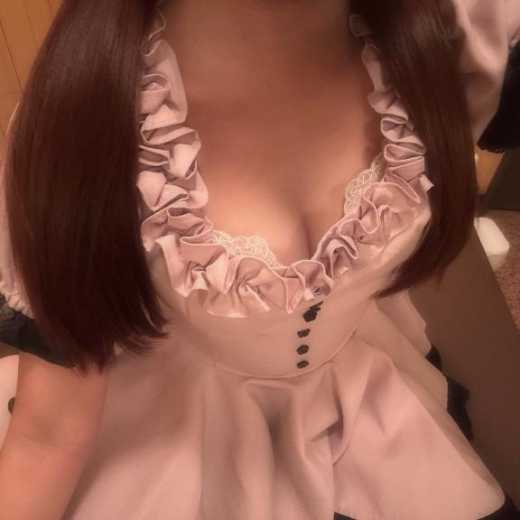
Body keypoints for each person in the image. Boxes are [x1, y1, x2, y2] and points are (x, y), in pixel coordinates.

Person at [0, 0, 519, 518]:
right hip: (175, 439)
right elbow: (47, 436)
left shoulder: (456, 39)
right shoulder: (81, 121)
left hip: (372, 405)